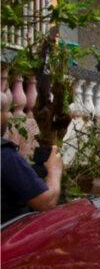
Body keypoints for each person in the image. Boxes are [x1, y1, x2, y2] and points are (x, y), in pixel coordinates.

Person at [1, 92, 63, 224]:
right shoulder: (5, 156)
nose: (9, 116)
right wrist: (54, 171)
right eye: (7, 111)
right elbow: (46, 202)